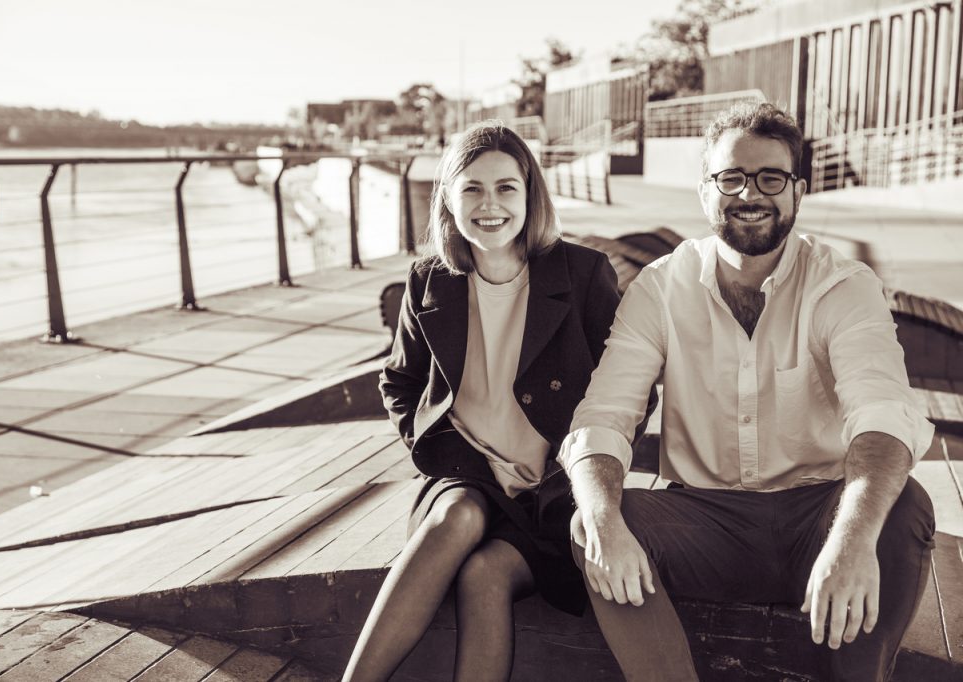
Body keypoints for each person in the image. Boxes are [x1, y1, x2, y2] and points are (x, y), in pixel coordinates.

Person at [559, 102, 936, 681]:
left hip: (819, 514)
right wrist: (603, 517)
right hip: (705, 522)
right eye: (730, 177)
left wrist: (851, 539)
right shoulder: (660, 287)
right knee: (595, 519)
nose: (750, 193)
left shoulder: (842, 285)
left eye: (771, 178)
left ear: (798, 192)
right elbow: (603, 416)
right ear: (705, 192)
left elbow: (882, 414)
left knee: (902, 505)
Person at [343, 121, 637, 681]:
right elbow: (399, 382)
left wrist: (596, 475)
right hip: (466, 474)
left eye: (506, 187)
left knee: (485, 575)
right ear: (448, 198)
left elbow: (629, 389)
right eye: (472, 188)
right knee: (456, 517)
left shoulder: (582, 274)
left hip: (556, 489)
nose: (489, 205)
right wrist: (431, 444)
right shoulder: (429, 280)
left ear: (530, 194)